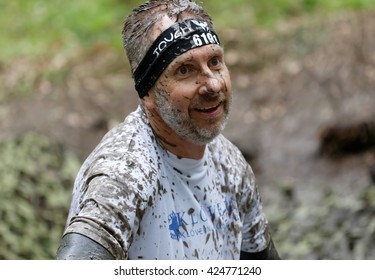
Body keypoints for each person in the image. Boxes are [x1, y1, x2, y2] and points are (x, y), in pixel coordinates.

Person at [56, 0, 280, 260]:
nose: (213, 85)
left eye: (215, 62)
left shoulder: (230, 164)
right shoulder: (126, 172)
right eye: (185, 70)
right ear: (147, 92)